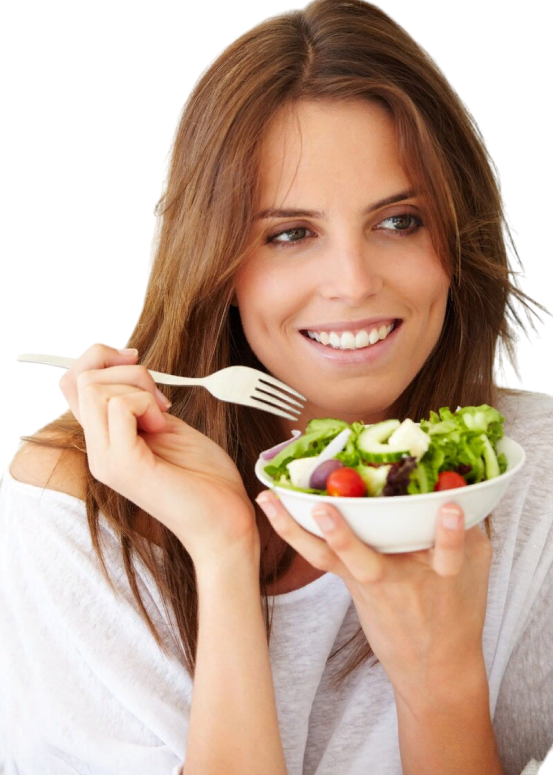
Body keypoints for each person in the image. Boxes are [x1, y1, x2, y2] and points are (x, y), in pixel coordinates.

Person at [1, 2, 551, 773]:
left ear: (457, 239)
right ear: (216, 263)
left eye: (398, 221)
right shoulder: (81, 507)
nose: (353, 283)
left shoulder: (536, 473)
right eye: (289, 234)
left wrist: (442, 685)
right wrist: (222, 553)